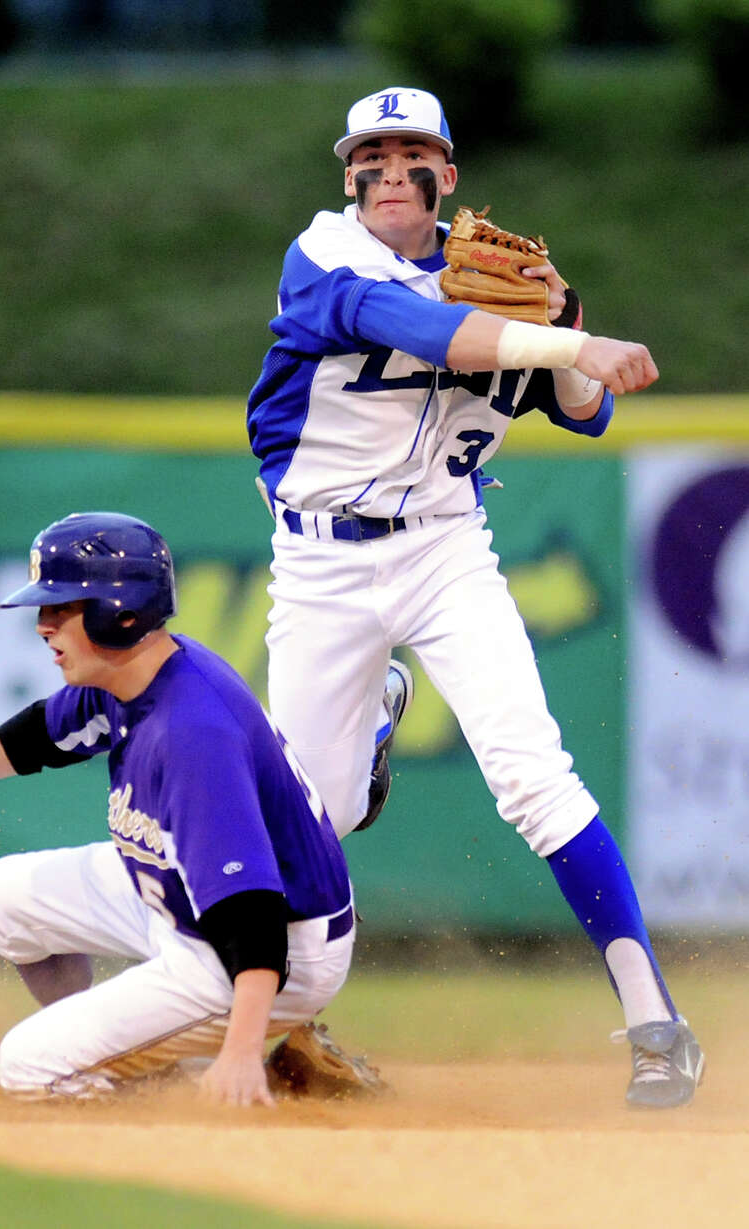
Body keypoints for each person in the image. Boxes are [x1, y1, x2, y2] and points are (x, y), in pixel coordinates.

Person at [246, 86, 704, 1109]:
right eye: (371, 152)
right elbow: (425, 331)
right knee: (306, 825)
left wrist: (567, 325)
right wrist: (569, 341)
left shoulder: (502, 279)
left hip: (446, 549)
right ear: (346, 173)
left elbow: (579, 410)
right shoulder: (322, 256)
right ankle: (288, 1017)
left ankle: (653, 1023)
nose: (390, 169)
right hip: (320, 563)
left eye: (414, 153)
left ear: (447, 175)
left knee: (532, 776)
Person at [0, 511, 362, 1107]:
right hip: (187, 901)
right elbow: (40, 733)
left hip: (268, 953)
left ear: (121, 612)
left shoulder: (192, 733)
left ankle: (271, 1076)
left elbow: (252, 913)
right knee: (5, 894)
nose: (43, 626)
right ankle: (124, 1055)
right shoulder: (134, 674)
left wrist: (241, 1052)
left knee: (26, 1066)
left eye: (60, 608)